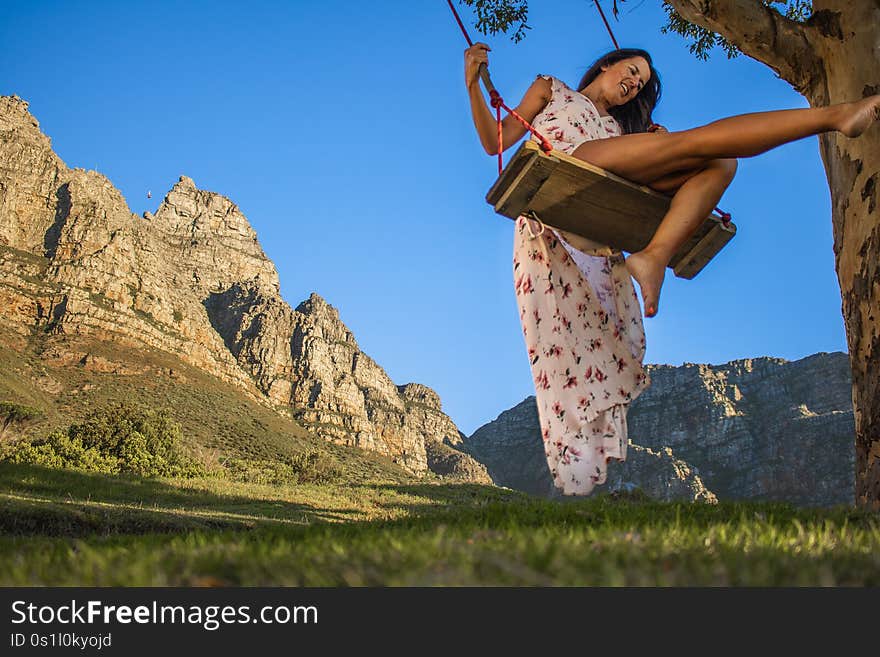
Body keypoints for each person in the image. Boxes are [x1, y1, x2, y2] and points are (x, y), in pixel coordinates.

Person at [463, 44, 880, 495]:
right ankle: (835, 117)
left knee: (721, 160)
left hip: (610, 183)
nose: (632, 84)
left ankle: (655, 255)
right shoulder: (553, 90)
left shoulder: (619, 128)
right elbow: (496, 141)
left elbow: (646, 155)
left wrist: (649, 141)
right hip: (572, 162)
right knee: (693, 143)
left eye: (639, 85)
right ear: (607, 62)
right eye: (631, 71)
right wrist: (473, 85)